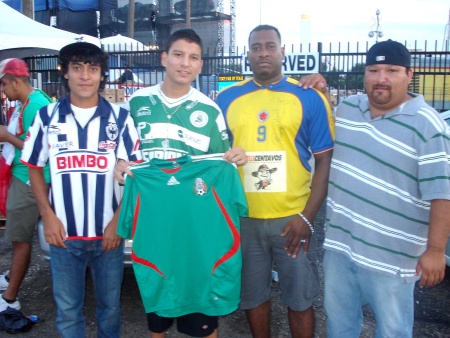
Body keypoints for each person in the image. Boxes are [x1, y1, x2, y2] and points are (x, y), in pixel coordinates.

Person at [115, 28, 247, 338]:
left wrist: (235, 157)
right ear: (164, 58)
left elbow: (218, 166)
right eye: (178, 54)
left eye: (193, 57)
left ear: (201, 65)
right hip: (155, 224)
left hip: (195, 231)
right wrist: (119, 164)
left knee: (200, 323)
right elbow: (119, 154)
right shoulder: (135, 104)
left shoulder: (210, 110)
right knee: (157, 320)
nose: (184, 63)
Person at [323, 39, 450, 337]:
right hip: (340, 248)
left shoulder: (428, 125)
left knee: (393, 331)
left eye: (392, 70)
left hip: (393, 257)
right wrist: (320, 89)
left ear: (409, 74)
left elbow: (441, 193)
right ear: (365, 74)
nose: (381, 78)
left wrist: (434, 250)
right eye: (374, 69)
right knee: (339, 326)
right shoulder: (347, 109)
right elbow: (317, 124)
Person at [215, 25, 335, 338]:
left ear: (282, 52)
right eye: (256, 47)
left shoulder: (308, 97)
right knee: (254, 297)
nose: (263, 52)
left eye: (270, 46)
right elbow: (214, 158)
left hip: (292, 219)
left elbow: (325, 161)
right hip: (245, 218)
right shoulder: (226, 99)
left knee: (299, 300)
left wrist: (306, 219)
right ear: (248, 55)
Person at [20, 40, 142, 337]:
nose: (85, 76)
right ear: (66, 73)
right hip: (63, 235)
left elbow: (136, 175)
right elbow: (34, 167)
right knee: (68, 311)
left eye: (92, 68)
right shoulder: (47, 117)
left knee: (110, 308)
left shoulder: (121, 119)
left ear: (102, 75)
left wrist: (117, 223)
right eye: (77, 68)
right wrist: (47, 216)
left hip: (108, 235)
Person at [0, 58, 51, 312]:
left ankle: (10, 298)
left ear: (16, 82)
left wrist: (7, 136)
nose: (3, 91)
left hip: (29, 179)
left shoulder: (36, 106)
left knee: (20, 239)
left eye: (4, 85)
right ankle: (10, 278)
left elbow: (42, 151)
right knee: (18, 237)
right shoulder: (31, 101)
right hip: (25, 176)